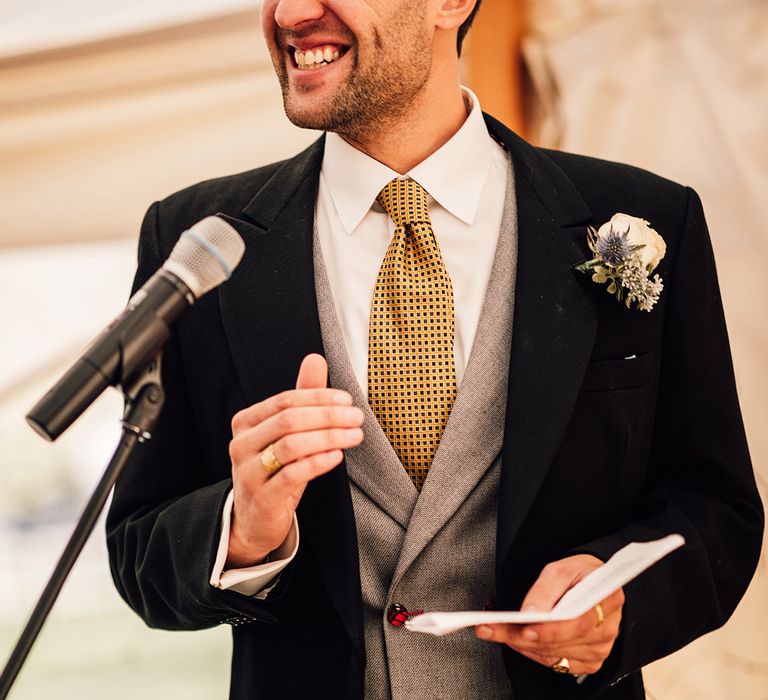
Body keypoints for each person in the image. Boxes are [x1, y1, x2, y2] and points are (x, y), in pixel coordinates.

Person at [106, 0, 764, 698]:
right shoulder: (198, 240)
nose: (291, 12)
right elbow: (137, 547)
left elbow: (715, 511)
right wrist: (241, 530)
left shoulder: (646, 217)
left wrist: (616, 606)